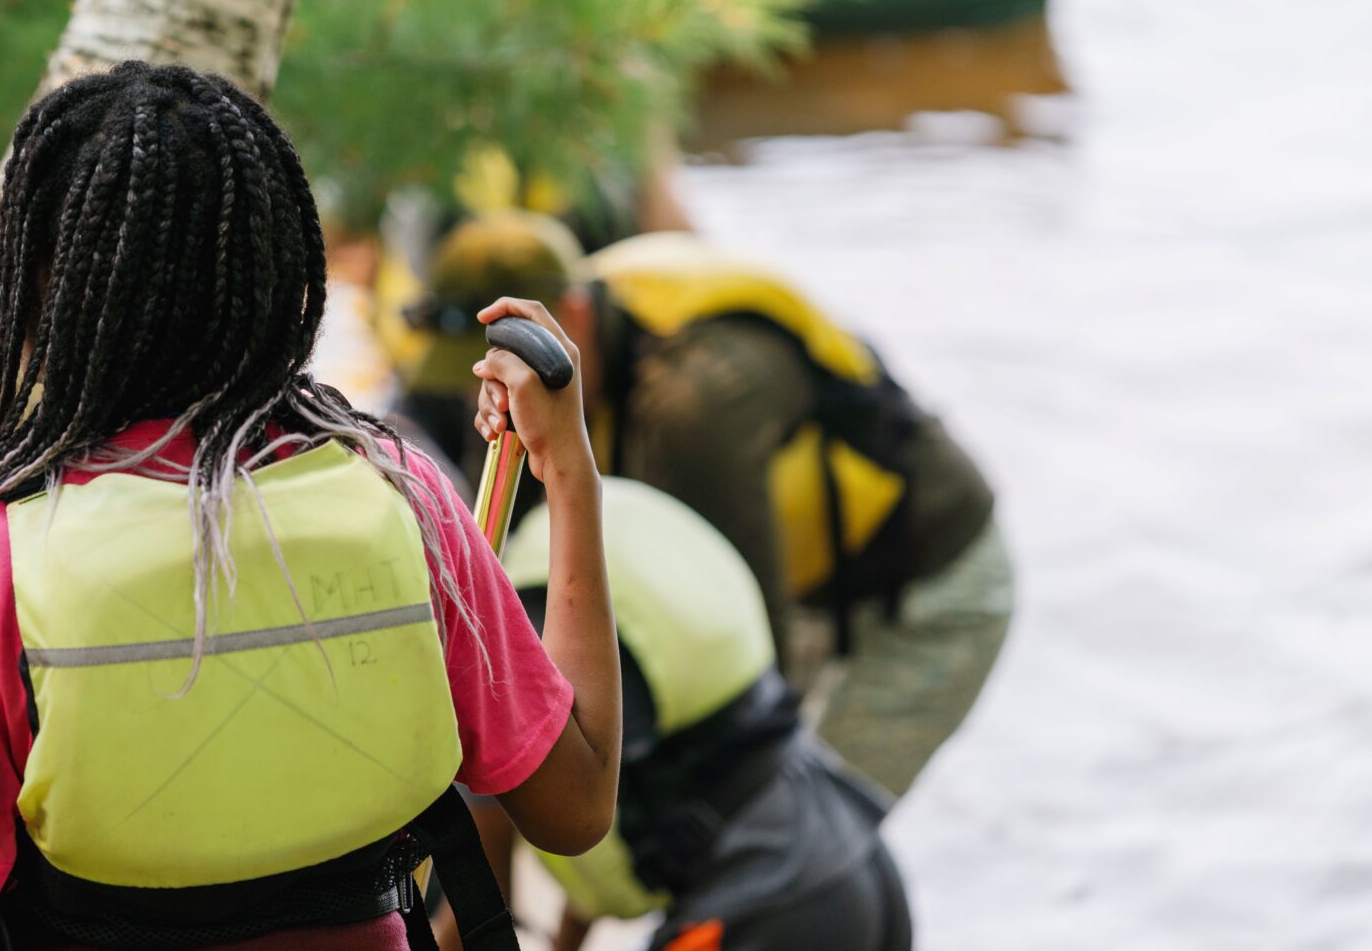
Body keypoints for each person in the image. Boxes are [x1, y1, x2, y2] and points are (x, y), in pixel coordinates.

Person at [0, 61, 623, 951]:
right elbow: (575, 807)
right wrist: (567, 473)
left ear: (47, 281)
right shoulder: (398, 494)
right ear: (276, 272)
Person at [397, 211, 1008, 799]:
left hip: (931, 590)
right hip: (810, 581)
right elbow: (500, 564)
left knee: (805, 819)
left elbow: (747, 649)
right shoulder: (579, 327)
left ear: (573, 321)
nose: (483, 397)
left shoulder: (692, 407)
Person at [453, 479, 911, 951]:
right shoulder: (577, 552)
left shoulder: (499, 650)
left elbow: (480, 911)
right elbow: (604, 796)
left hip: (762, 916)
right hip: (852, 857)